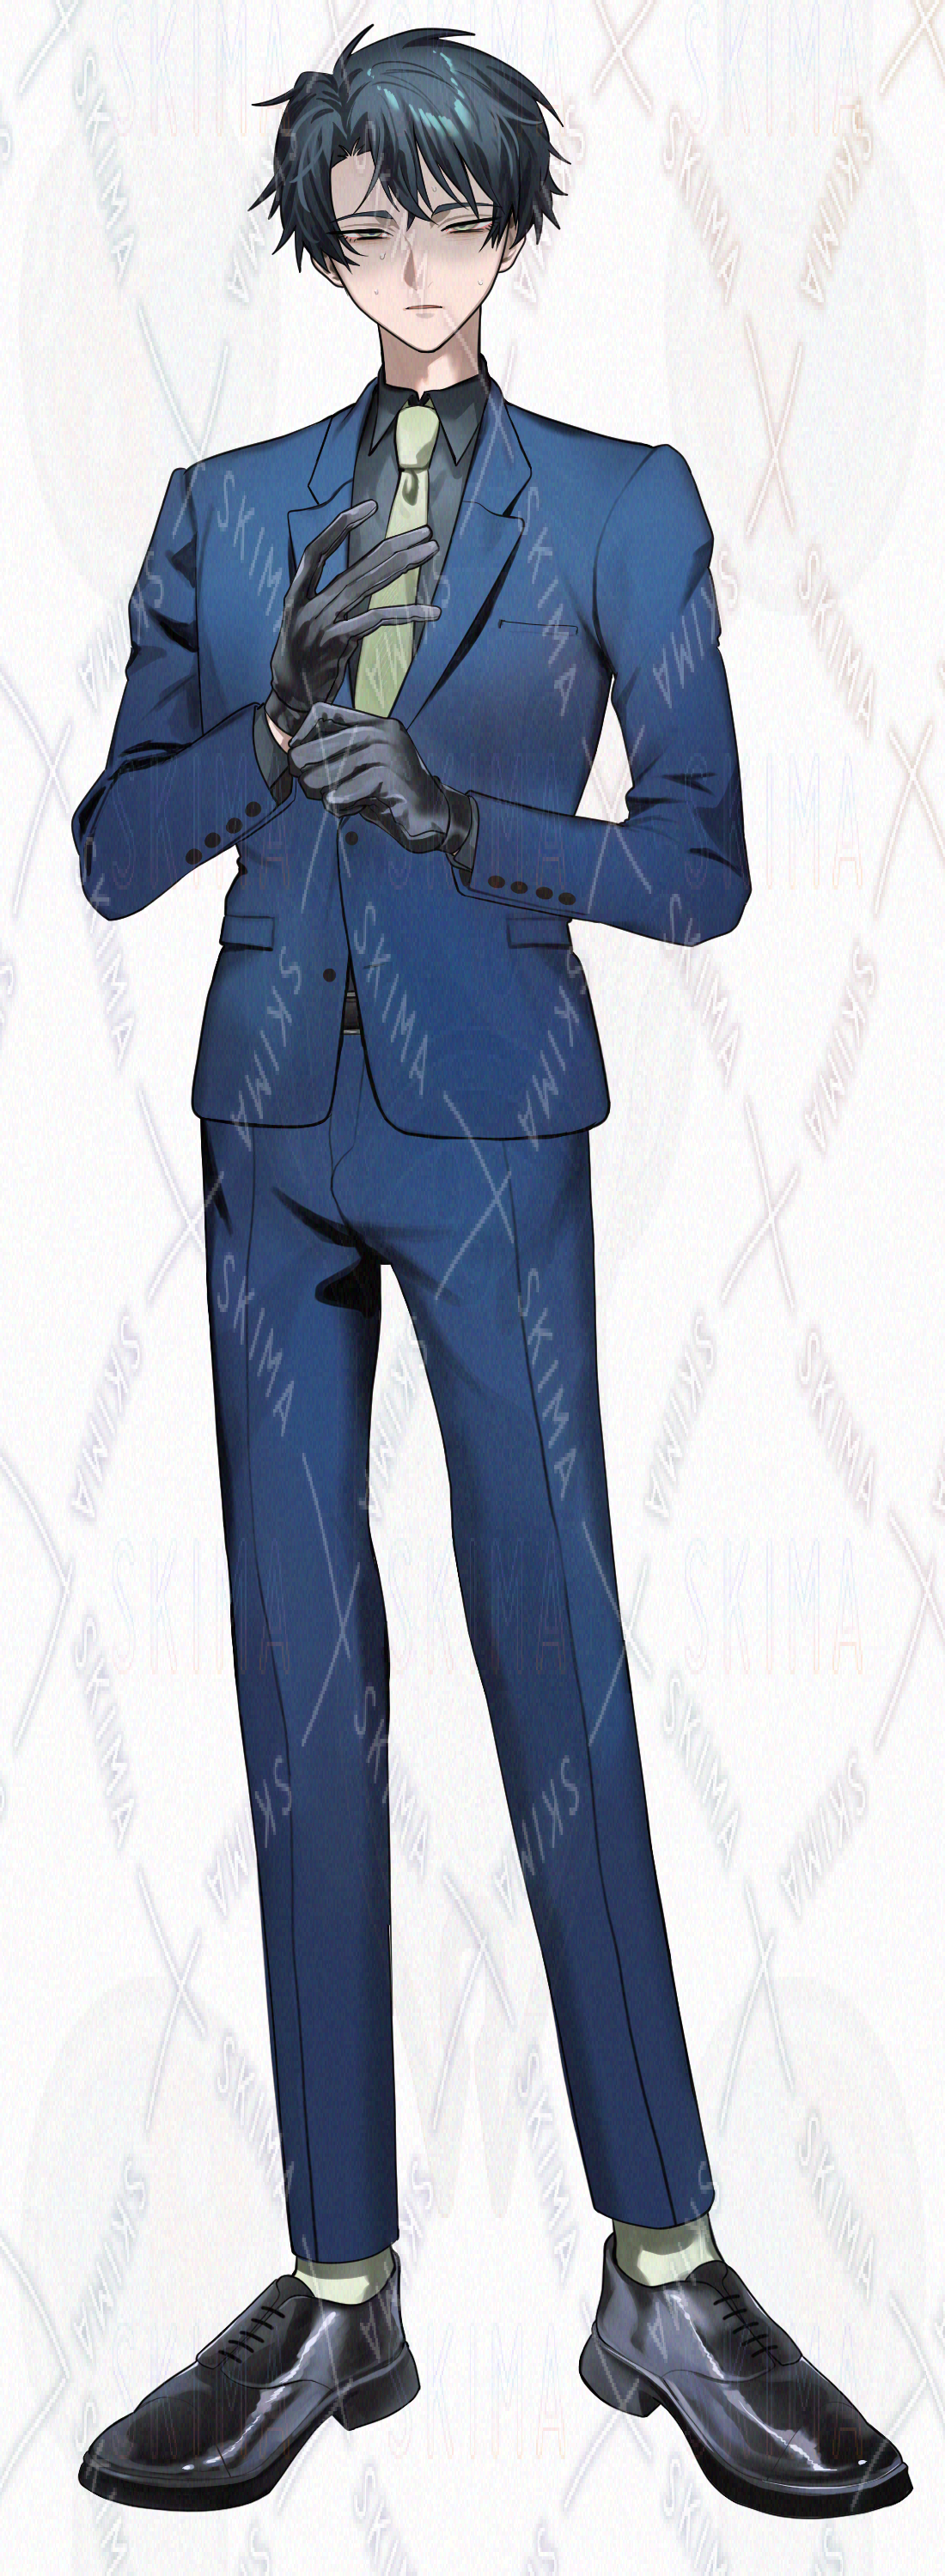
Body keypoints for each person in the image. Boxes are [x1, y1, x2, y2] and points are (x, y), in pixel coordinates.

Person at [70, 23, 911, 2522]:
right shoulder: (228, 507)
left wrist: (472, 817)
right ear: (321, 245)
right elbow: (109, 849)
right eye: (366, 227)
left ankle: (664, 2268)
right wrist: (270, 731)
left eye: (450, 219)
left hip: (492, 1137)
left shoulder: (621, 506)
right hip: (270, 1133)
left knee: (559, 1674)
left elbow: (707, 871)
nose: (410, 266)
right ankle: (339, 2292)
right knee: (300, 1699)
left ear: (516, 229)